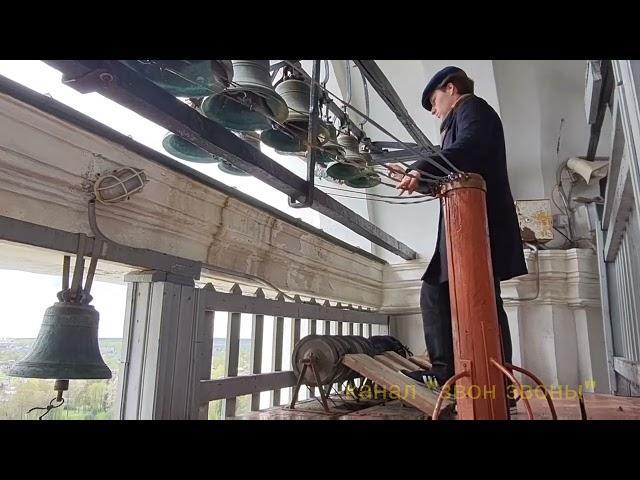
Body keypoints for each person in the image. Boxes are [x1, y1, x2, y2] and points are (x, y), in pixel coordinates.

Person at [397, 66, 527, 394]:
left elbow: (470, 147)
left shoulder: (472, 108)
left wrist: (421, 166)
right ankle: (492, 378)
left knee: (442, 292)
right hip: (467, 224)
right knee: (474, 298)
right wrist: (421, 179)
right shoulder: (460, 118)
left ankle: (453, 374)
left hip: (478, 222)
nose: (433, 111)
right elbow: (455, 169)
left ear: (451, 89)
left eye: (434, 101)